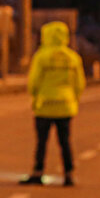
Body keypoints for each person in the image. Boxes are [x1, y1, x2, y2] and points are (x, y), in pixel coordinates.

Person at [20, 20, 85, 187]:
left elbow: (33, 82)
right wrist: (74, 99)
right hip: (65, 105)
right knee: (65, 141)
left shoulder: (41, 56)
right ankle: (69, 174)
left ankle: (38, 172)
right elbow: (79, 83)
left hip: (45, 105)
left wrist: (34, 97)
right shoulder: (73, 58)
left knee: (42, 142)